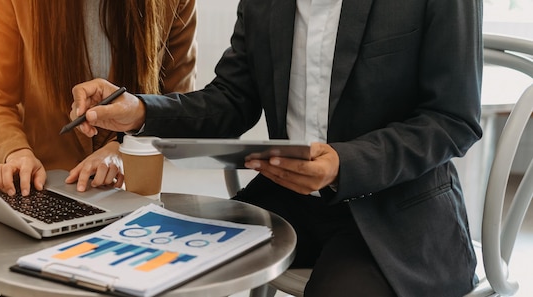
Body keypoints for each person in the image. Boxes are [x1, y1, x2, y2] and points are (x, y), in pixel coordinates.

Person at [70, 0, 483, 295]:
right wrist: (140, 110)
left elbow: (452, 118)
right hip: (288, 199)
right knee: (151, 251)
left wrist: (345, 163)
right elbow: (231, 99)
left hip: (395, 211)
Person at [0, 0, 197, 197]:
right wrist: (16, 152)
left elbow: (178, 110)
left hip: (129, 192)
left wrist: (122, 148)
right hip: (38, 188)